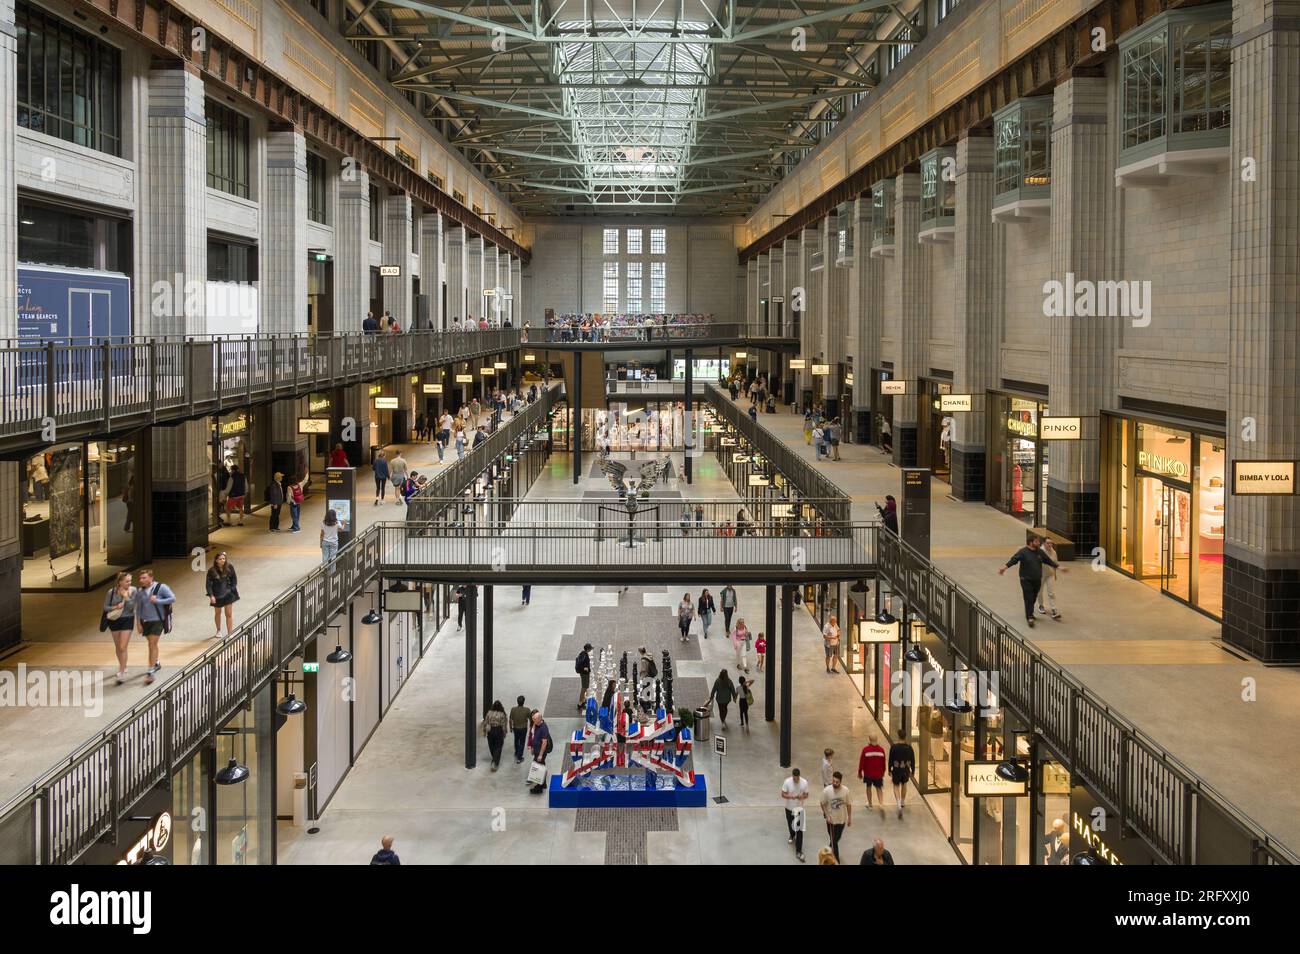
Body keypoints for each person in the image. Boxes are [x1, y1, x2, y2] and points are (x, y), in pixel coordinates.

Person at [998, 535, 1058, 628]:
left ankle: (1030, 612)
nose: (1039, 543)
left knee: (1033, 597)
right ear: (1031, 542)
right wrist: (1004, 568)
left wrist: (1059, 567)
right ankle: (1029, 617)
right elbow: (1014, 560)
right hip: (1026, 579)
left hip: (1037, 579)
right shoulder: (1023, 552)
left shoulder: (1039, 552)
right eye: (1037, 541)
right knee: (1028, 597)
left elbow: (1048, 561)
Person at [133, 569, 175, 686]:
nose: (141, 580)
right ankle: (156, 662)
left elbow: (172, 598)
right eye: (140, 578)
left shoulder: (161, 587)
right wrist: (138, 623)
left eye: (144, 578)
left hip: (158, 620)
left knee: (151, 644)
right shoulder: (140, 592)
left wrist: (158, 600)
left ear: (151, 578)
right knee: (153, 644)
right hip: (146, 621)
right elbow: (139, 608)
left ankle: (150, 672)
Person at [103, 571, 136, 685]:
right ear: (120, 582)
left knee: (122, 646)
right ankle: (123, 664)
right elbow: (105, 607)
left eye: (130, 580)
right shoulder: (111, 592)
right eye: (127, 581)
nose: (129, 583)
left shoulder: (133, 590)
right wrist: (116, 606)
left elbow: (132, 607)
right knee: (118, 646)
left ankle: (121, 672)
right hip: (114, 620)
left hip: (127, 619)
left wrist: (126, 597)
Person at [205, 552, 239, 639]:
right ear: (216, 560)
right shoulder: (211, 571)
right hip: (217, 595)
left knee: (229, 614)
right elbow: (208, 585)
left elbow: (234, 579)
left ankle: (230, 633)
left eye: (224, 558)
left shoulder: (229, 567)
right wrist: (211, 596)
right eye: (220, 559)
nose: (222, 560)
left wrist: (231, 589)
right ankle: (218, 630)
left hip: (228, 594)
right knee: (218, 613)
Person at [821, 771, 852, 862]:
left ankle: (826, 851)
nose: (834, 783)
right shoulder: (827, 790)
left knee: (836, 839)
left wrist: (849, 817)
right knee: (834, 841)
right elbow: (822, 803)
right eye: (833, 781)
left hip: (842, 820)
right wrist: (826, 815)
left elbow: (849, 804)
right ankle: (836, 860)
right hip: (831, 821)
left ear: (840, 781)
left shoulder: (846, 790)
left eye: (837, 782)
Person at [781, 768, 810, 863]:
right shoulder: (787, 782)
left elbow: (807, 795)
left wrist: (802, 796)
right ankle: (792, 835)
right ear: (792, 776)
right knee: (791, 825)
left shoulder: (804, 782)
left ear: (799, 776)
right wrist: (791, 796)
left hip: (799, 809)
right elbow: (783, 794)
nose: (795, 780)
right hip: (789, 808)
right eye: (794, 778)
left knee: (800, 830)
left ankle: (799, 851)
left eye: (797, 778)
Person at [1036, 538, 1064, 621]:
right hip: (1040, 575)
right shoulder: (1039, 551)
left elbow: (1055, 563)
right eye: (1048, 543)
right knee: (1039, 592)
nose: (1050, 545)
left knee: (1051, 592)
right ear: (1044, 543)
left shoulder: (1053, 552)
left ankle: (1054, 609)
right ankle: (1041, 605)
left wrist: (1055, 574)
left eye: (1051, 543)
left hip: (1050, 575)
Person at [858, 734, 887, 814]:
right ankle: (881, 803)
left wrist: (860, 772)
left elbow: (862, 762)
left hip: (868, 774)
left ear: (869, 740)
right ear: (877, 739)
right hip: (878, 774)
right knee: (879, 788)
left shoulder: (865, 750)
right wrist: (883, 771)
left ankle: (870, 804)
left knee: (868, 787)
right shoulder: (881, 750)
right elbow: (883, 762)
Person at [888, 738, 916, 819]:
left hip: (896, 770)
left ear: (898, 737)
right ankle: (903, 801)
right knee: (904, 784)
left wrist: (889, 769)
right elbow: (913, 760)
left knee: (896, 786)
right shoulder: (909, 748)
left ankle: (899, 804)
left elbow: (890, 759)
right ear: (905, 737)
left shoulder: (894, 747)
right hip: (905, 770)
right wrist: (913, 771)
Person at [528, 710, 552, 795]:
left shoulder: (543, 728)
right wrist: (532, 747)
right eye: (532, 719)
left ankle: (538, 788)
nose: (533, 721)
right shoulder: (537, 725)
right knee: (541, 767)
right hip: (536, 751)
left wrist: (540, 755)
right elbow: (533, 735)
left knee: (538, 769)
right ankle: (543, 784)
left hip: (540, 753)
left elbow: (544, 742)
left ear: (539, 719)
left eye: (534, 719)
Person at [483, 700, 508, 771]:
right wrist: (504, 733)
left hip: (490, 730)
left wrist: (485, 731)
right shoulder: (502, 714)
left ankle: (494, 757)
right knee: (498, 746)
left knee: (491, 745)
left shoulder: (489, 713)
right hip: (498, 730)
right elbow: (503, 725)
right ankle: (495, 762)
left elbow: (485, 722)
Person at [509, 696, 531, 764]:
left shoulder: (513, 709)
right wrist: (532, 727)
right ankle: (519, 757)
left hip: (515, 728)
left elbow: (510, 720)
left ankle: (516, 752)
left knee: (516, 740)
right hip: (523, 728)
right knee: (522, 742)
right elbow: (530, 719)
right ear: (523, 702)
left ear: (517, 701)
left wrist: (510, 727)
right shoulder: (527, 710)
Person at [574, 642, 592, 710]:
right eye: (590, 649)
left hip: (584, 674)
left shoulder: (583, 653)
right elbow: (580, 664)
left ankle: (583, 700)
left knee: (585, 687)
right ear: (588, 649)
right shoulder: (584, 655)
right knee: (584, 688)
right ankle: (580, 703)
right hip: (584, 674)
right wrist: (584, 668)